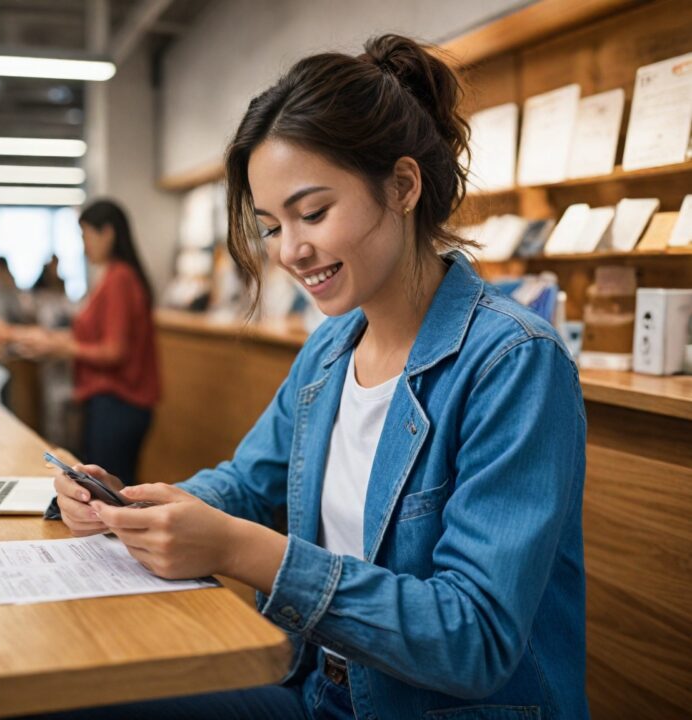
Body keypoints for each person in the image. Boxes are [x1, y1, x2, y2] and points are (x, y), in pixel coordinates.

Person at [48, 35, 588, 720]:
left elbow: (472, 639)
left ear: (403, 187)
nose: (290, 252)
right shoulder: (332, 348)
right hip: (316, 688)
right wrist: (127, 506)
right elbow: (247, 484)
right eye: (272, 226)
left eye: (313, 213)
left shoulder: (513, 363)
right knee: (64, 693)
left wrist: (245, 550)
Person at [17, 200, 160, 485]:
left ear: (107, 233)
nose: (84, 247)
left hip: (119, 402)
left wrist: (62, 348)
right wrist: (54, 341)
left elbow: (114, 351)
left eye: (86, 236)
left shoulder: (119, 278)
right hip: (115, 402)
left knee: (111, 490)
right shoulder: (113, 276)